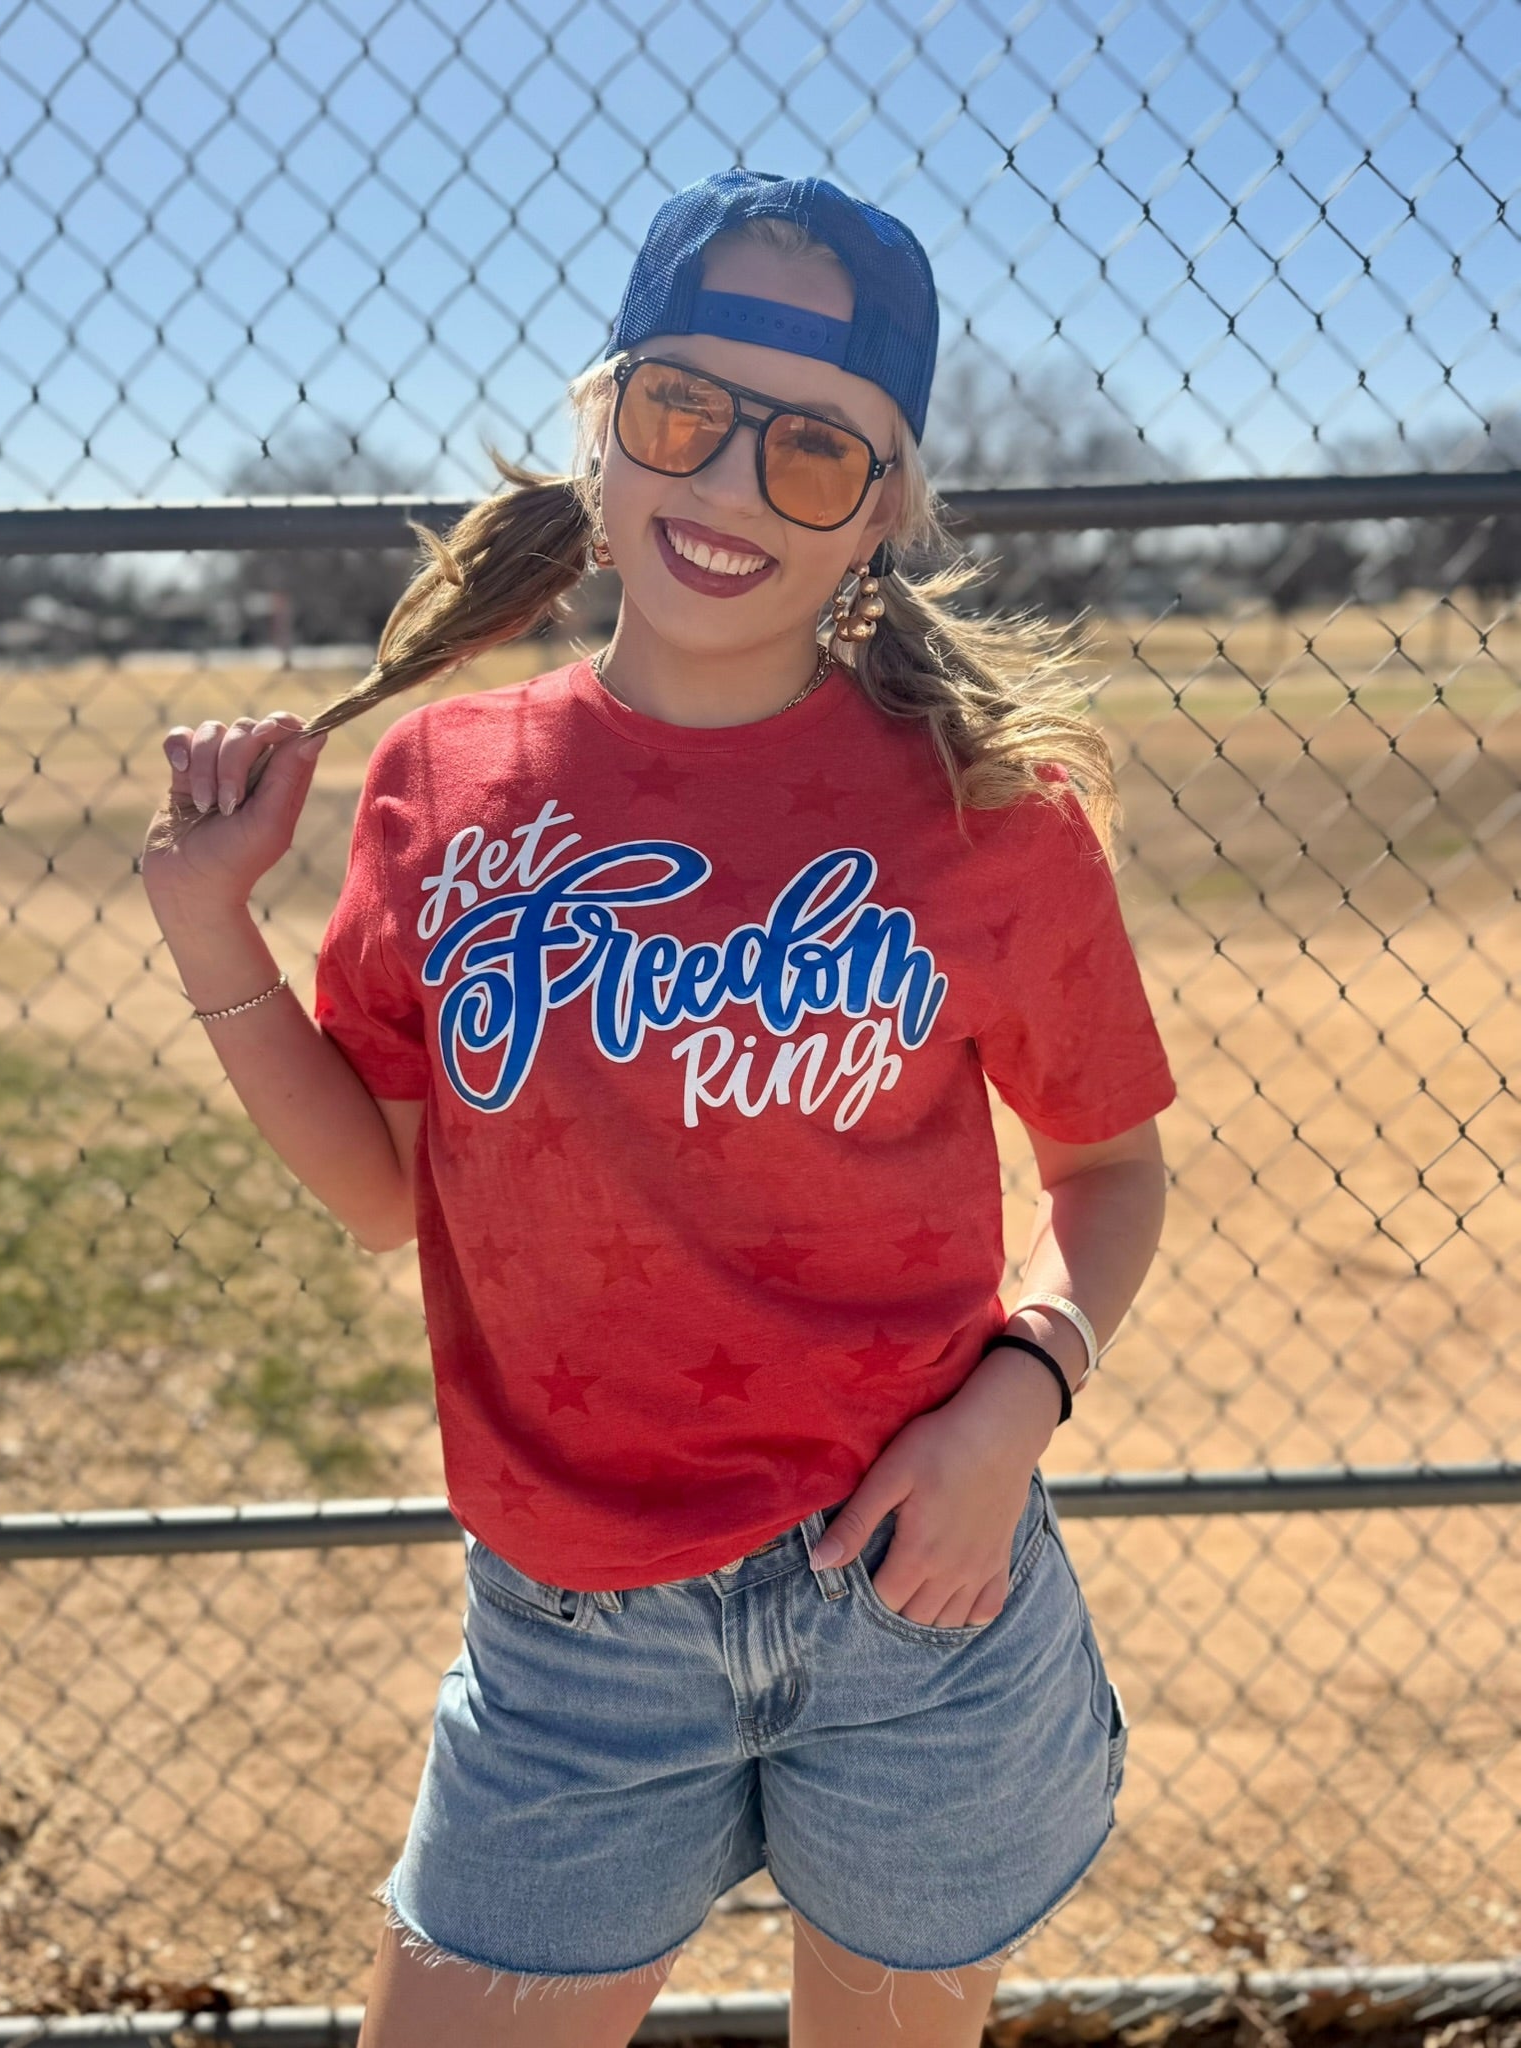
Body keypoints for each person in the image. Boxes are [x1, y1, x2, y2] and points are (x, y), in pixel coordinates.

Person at [140, 167, 1175, 2048]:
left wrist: (1014, 1410)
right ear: (602, 436)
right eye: (686, 412)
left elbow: (1107, 1173)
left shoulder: (991, 811)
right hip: (576, 1637)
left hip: (917, 1585)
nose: (733, 485)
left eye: (816, 450)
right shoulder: (447, 781)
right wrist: (216, 928)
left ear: (885, 512)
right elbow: (383, 1191)